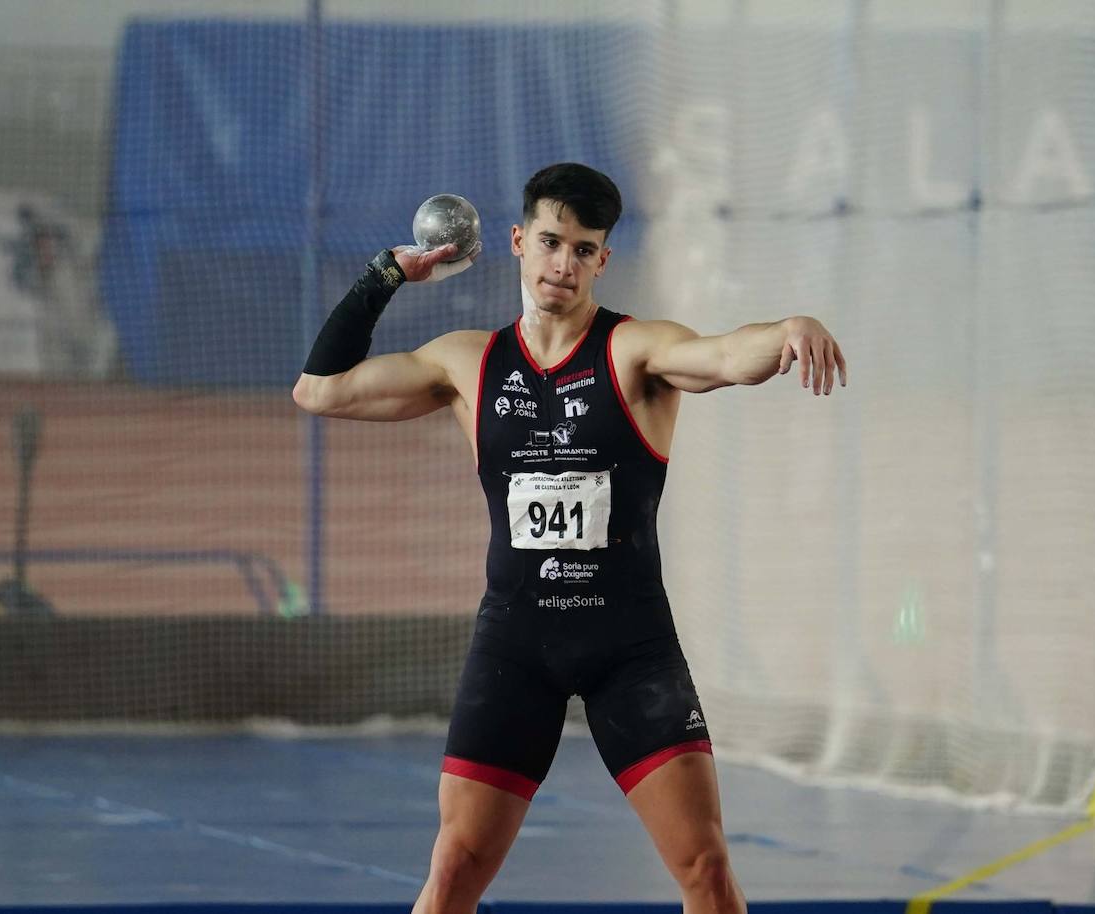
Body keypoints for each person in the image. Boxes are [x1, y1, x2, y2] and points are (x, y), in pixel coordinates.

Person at [294, 163, 846, 914]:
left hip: (630, 648)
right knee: (454, 867)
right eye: (551, 241)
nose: (564, 263)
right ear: (520, 242)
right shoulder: (468, 363)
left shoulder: (633, 352)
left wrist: (788, 331)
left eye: (584, 249)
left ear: (602, 261)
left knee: (706, 869)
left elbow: (723, 357)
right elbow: (318, 390)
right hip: (517, 646)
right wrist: (386, 274)